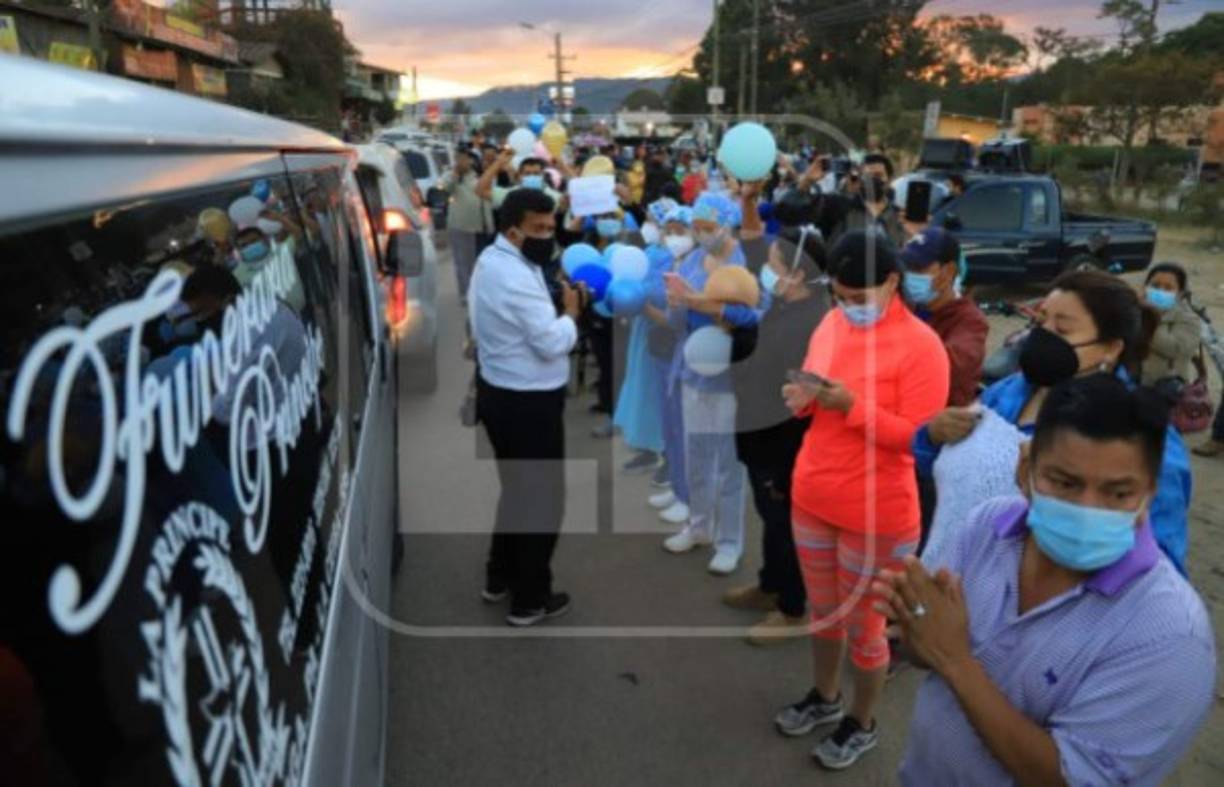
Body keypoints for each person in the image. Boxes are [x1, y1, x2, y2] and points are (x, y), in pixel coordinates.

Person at [881, 375, 1215, 786]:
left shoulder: (1169, 633)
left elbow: (1071, 779)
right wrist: (915, 629)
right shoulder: (987, 527)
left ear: (1149, 492)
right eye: (1065, 482)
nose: (1087, 508)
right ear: (1027, 469)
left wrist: (954, 660)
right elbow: (928, 648)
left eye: (1118, 493)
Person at [775, 231, 949, 770]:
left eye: (859, 296)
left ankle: (863, 720)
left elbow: (918, 438)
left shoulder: (922, 345)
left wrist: (851, 405)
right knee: (824, 614)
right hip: (813, 493)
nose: (848, 307)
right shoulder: (831, 323)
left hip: (877, 513)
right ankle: (825, 696)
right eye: (840, 295)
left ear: (893, 282)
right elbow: (815, 390)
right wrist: (802, 399)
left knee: (866, 628)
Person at [915, 270, 1193, 575]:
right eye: (1040, 322)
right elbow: (954, 474)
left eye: (1061, 330)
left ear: (1111, 348)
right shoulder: (1008, 392)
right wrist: (932, 437)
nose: (1042, 337)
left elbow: (1159, 565)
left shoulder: (1139, 436)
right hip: (954, 578)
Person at [723, 184, 831, 645]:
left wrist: (739, 349)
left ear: (798, 274)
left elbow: (785, 381)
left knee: (787, 524)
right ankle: (770, 585)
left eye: (776, 265)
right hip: (759, 436)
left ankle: (792, 607)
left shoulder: (812, 320)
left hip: (783, 442)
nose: (768, 271)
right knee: (771, 518)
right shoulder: (788, 303)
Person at [468, 188, 582, 626]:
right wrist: (571, 314)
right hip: (528, 402)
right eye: (539, 229)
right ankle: (530, 599)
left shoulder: (496, 261)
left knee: (517, 491)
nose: (548, 236)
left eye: (552, 227)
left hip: (501, 391)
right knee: (541, 501)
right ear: (513, 229)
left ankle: (499, 578)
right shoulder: (513, 274)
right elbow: (551, 342)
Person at [662, 192, 750, 574]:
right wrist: (678, 303)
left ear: (727, 225)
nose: (701, 234)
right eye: (697, 227)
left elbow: (754, 316)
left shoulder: (745, 261)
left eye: (708, 228)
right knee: (696, 457)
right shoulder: (691, 260)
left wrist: (710, 307)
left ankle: (729, 541)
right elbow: (675, 323)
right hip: (692, 371)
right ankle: (698, 526)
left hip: (731, 376)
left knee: (730, 465)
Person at [611, 198, 677, 473]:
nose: (649, 225)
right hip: (643, 330)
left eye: (653, 219)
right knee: (640, 384)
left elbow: (665, 299)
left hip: (663, 334)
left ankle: (664, 451)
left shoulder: (677, 258)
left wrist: (642, 303)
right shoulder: (650, 252)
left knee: (656, 391)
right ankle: (648, 448)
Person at [645, 206, 696, 522]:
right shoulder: (666, 260)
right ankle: (678, 487)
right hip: (663, 351)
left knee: (684, 427)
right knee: (670, 426)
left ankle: (690, 497)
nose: (674, 236)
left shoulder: (696, 267)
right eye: (670, 230)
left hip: (686, 354)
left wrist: (647, 308)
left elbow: (678, 318)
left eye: (681, 230)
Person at [898, 227, 989, 408]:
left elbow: (950, 363)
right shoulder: (907, 305)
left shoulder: (970, 321)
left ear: (947, 272)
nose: (908, 275)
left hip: (941, 421)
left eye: (917, 268)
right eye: (905, 267)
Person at [439, 147, 494, 306]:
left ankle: (482, 293)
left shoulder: (479, 174)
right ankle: (466, 295)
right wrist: (456, 173)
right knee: (464, 263)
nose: (462, 161)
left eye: (465, 158)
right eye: (458, 158)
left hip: (484, 225)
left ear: (471, 159)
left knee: (483, 263)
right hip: (462, 226)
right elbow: (444, 189)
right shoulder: (450, 175)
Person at [1140, 262, 1200, 388]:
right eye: (1155, 286)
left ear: (1180, 293)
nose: (1160, 291)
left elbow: (1175, 350)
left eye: (1168, 288)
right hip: (1131, 384)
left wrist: (1152, 317)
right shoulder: (1134, 310)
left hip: (1164, 391)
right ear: (1145, 287)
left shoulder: (1188, 319)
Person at [829, 154, 906, 248]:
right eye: (867, 176)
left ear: (889, 179)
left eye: (878, 175)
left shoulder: (900, 217)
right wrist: (807, 180)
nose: (872, 180)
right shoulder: (843, 210)